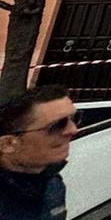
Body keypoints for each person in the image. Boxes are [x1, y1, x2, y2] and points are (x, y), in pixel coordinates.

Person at [0, 85, 79, 220]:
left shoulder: (52, 183)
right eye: (57, 126)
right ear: (8, 144)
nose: (73, 130)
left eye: (75, 118)